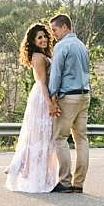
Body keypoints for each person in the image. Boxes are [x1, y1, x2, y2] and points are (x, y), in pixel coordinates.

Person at [4, 23, 61, 193]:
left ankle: (26, 169)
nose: (43, 39)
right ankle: (21, 167)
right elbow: (42, 83)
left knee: (45, 138)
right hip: (41, 98)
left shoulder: (44, 54)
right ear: (33, 41)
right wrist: (49, 102)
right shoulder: (37, 57)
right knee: (38, 137)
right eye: (39, 38)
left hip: (45, 96)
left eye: (44, 36)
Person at [47, 14, 90, 193]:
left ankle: (64, 181)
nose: (54, 34)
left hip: (69, 97)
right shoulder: (82, 46)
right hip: (85, 95)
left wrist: (51, 97)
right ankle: (78, 183)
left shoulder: (61, 46)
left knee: (60, 137)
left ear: (64, 27)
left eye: (54, 30)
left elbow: (56, 74)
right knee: (81, 139)